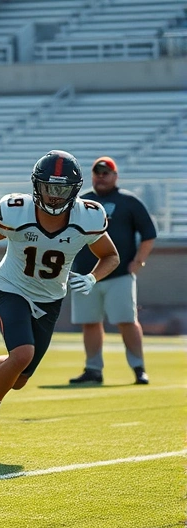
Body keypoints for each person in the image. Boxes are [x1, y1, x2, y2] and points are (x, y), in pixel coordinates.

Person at [0, 150, 118, 453]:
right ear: (36, 187)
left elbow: (110, 256)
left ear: (74, 191)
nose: (55, 197)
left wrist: (94, 277)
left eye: (62, 189)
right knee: (23, 354)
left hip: (50, 297)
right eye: (49, 188)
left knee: (18, 378)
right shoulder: (15, 210)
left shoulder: (88, 216)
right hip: (12, 288)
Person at [68, 156, 156, 385]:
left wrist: (139, 261)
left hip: (118, 275)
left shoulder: (129, 201)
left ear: (115, 176)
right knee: (90, 322)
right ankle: (93, 369)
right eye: (98, 173)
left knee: (127, 320)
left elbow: (149, 234)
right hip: (85, 275)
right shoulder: (82, 202)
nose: (101, 177)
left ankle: (139, 368)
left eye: (106, 173)